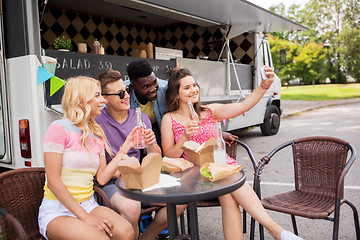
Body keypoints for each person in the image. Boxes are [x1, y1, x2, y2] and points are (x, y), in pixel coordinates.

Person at [160, 68, 303, 240]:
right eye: (187, 87)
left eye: (195, 85)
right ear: (176, 94)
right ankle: (276, 231)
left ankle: (277, 231)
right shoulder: (169, 119)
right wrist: (184, 136)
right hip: (193, 176)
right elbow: (168, 156)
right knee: (228, 184)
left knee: (227, 194)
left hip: (221, 170)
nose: (194, 90)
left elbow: (243, 106)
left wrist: (264, 86)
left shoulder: (209, 111)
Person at [38, 76, 134, 240]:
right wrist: (85, 217)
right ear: (81, 101)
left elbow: (102, 178)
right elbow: (53, 181)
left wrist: (125, 147)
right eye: (97, 95)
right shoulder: (58, 129)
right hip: (57, 209)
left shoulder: (96, 134)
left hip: (88, 204)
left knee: (127, 231)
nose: (103, 100)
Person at [95, 70, 186, 240]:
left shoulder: (140, 117)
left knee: (181, 200)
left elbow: (156, 158)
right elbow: (103, 174)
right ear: (104, 98)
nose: (126, 96)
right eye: (120, 93)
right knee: (132, 208)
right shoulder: (97, 123)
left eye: (127, 91)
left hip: (138, 179)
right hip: (112, 183)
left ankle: (147, 237)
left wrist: (151, 144)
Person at [126, 59, 239, 148]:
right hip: (136, 134)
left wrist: (217, 133)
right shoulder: (124, 95)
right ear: (133, 87)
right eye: (146, 86)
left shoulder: (164, 88)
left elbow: (190, 110)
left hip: (160, 131)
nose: (152, 89)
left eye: (154, 82)